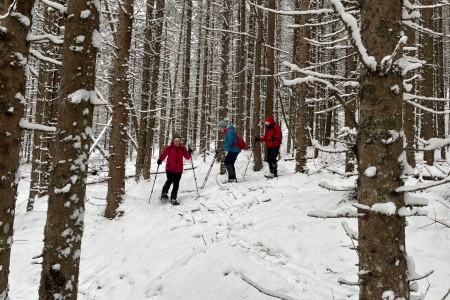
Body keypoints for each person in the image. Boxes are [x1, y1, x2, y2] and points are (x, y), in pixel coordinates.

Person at [157, 133, 192, 205]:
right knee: (169, 181)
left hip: (178, 170)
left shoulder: (182, 149)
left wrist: (189, 152)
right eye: (175, 141)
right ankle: (164, 193)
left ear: (180, 141)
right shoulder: (169, 148)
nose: (177, 142)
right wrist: (160, 159)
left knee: (176, 184)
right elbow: (163, 155)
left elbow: (187, 157)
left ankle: (173, 198)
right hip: (169, 168)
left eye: (178, 141)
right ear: (173, 141)